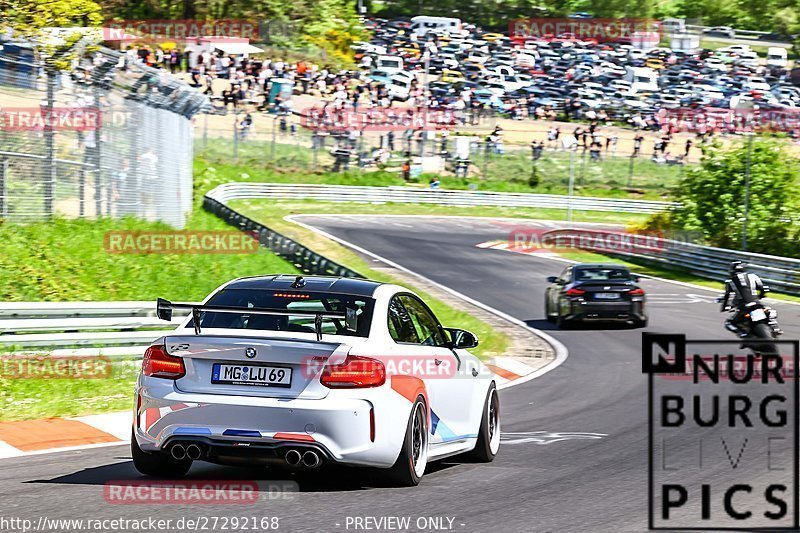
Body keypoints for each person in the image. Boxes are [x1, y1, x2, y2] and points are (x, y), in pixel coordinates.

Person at [719, 261, 767, 336]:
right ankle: (774, 326)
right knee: (769, 312)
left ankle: (742, 333)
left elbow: (727, 297)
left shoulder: (730, 281)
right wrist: (760, 296)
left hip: (744, 307)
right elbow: (763, 289)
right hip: (757, 304)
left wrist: (724, 307)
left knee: (729, 323)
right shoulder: (753, 276)